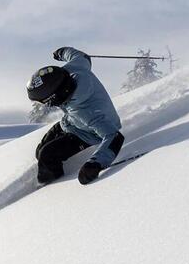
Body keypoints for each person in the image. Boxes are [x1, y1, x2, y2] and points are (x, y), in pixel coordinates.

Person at [26, 47, 124, 185]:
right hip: (71, 122)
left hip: (87, 134)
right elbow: (82, 56)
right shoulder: (75, 68)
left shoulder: (87, 111)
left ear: (56, 97)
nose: (47, 106)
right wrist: (62, 52)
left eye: (46, 102)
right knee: (40, 151)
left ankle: (51, 186)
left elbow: (114, 137)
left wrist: (94, 164)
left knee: (47, 155)